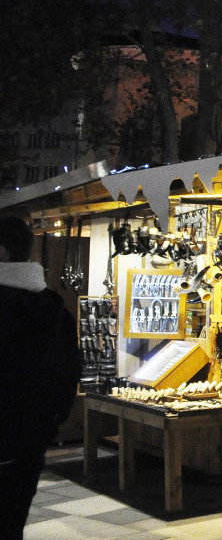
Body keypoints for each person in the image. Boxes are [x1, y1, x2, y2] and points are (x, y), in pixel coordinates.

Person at [0, 217, 81, 539]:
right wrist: (45, 425)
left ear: (2, 252)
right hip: (28, 443)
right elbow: (67, 375)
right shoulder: (54, 310)